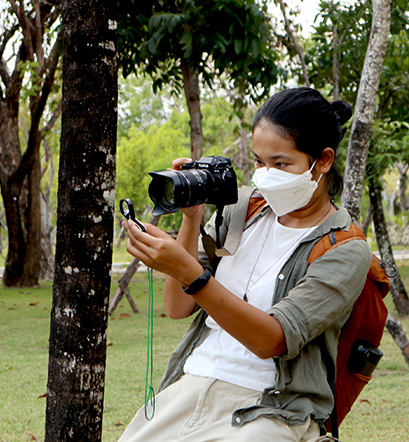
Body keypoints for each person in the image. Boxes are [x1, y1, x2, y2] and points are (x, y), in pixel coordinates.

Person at [120, 87, 372, 442]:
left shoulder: (344, 249)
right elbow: (178, 307)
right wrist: (191, 220)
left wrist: (189, 271)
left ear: (324, 160)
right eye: (259, 161)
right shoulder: (242, 210)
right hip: (191, 382)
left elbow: (272, 339)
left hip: (270, 407)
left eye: (281, 163)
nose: (266, 175)